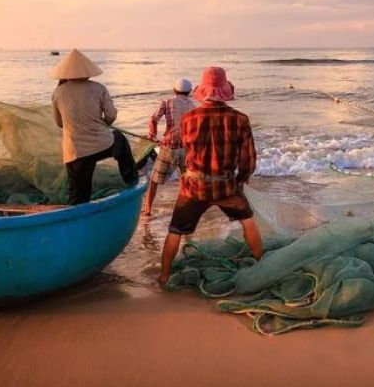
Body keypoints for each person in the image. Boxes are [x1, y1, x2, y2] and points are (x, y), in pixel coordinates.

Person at [158, 66, 263, 285]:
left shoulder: (188, 119)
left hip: (193, 188)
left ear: (202, 92)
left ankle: (164, 276)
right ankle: (261, 266)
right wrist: (241, 179)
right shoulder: (240, 119)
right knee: (248, 223)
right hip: (226, 186)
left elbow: (187, 151)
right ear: (225, 91)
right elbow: (248, 160)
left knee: (175, 230)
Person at [49, 49, 138, 205]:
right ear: (87, 71)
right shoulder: (99, 88)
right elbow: (111, 115)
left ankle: (77, 219)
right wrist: (103, 123)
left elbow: (59, 123)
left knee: (78, 195)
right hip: (102, 144)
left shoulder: (58, 93)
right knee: (120, 139)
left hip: (75, 151)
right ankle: (132, 181)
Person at [143, 78, 198, 216]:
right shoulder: (194, 107)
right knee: (184, 180)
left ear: (174, 90)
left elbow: (153, 119)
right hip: (186, 149)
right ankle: (184, 207)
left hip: (169, 146)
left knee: (155, 179)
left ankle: (148, 209)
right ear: (189, 92)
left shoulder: (167, 102)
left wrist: (152, 134)